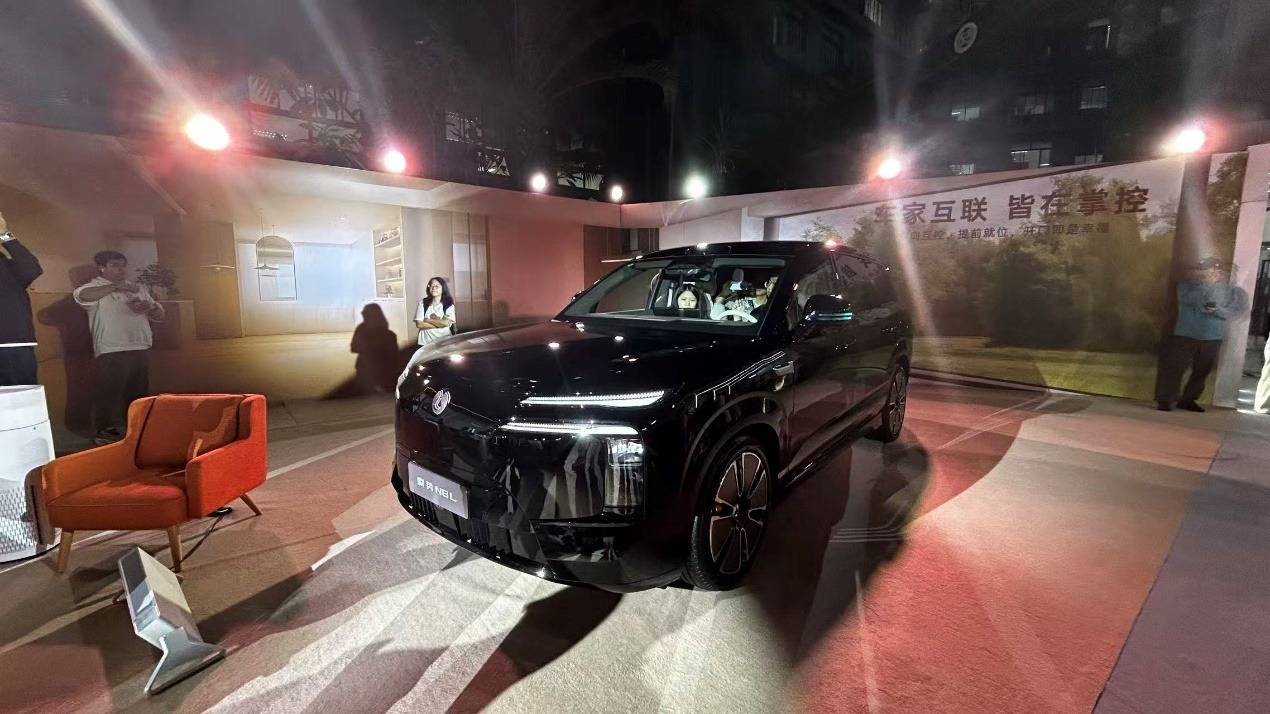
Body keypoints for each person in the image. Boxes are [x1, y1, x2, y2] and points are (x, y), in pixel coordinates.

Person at [74, 250, 164, 443]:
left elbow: (159, 314)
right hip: (111, 348)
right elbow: (83, 296)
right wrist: (116, 286)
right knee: (110, 392)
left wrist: (149, 307)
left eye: (123, 265)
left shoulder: (137, 288)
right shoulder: (93, 287)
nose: (121, 269)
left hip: (140, 345)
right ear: (101, 267)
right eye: (115, 265)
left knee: (138, 392)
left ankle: (136, 428)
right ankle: (105, 431)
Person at [1155, 258, 1249, 412]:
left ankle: (1188, 400)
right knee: (1175, 369)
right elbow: (1187, 299)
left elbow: (1238, 312)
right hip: (1185, 334)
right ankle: (1165, 399)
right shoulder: (1187, 286)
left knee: (1201, 372)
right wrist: (1206, 285)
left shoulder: (1234, 291)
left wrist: (1218, 310)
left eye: (1216, 269)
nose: (1212, 272)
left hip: (1213, 337)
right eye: (1207, 269)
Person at [0, 210, 44, 386]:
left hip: (13, 346)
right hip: (14, 346)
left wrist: (4, 234)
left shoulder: (7, 266)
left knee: (23, 399)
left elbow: (32, 268)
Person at [414, 276, 456, 346]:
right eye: (432, 286)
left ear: (443, 288)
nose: (433, 288)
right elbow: (419, 324)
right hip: (424, 343)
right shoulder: (423, 303)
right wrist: (440, 324)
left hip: (444, 342)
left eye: (437, 286)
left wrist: (427, 320)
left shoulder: (448, 305)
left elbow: (446, 323)